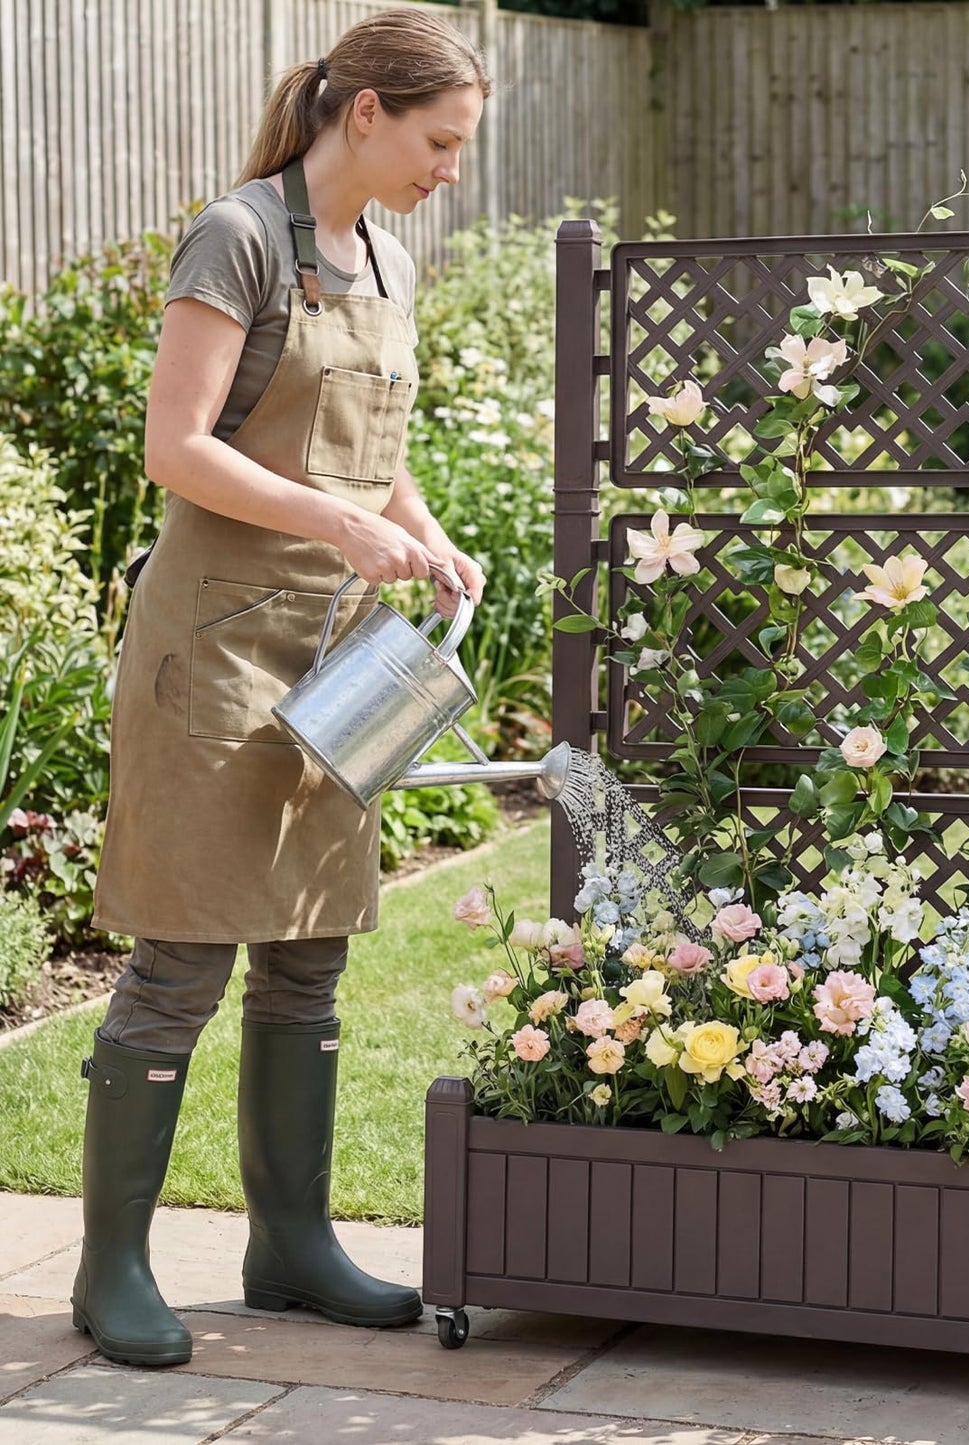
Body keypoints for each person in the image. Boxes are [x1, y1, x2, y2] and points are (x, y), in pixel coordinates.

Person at [76, 9, 491, 1368]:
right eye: (438, 141)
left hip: (333, 648)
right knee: (182, 953)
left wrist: (417, 533)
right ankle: (112, 1267)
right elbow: (175, 448)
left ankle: (290, 1244)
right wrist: (342, 522)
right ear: (363, 112)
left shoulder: (388, 255)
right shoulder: (239, 236)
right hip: (213, 648)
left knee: (307, 955)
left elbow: (378, 449)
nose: (449, 170)